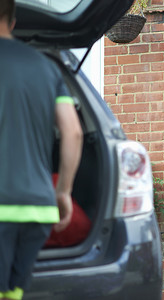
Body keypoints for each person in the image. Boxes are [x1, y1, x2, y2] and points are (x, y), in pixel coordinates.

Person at [0, 1, 83, 299]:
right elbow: (73, 132)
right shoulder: (47, 67)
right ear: (12, 22)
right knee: (12, 292)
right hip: (37, 208)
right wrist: (62, 192)